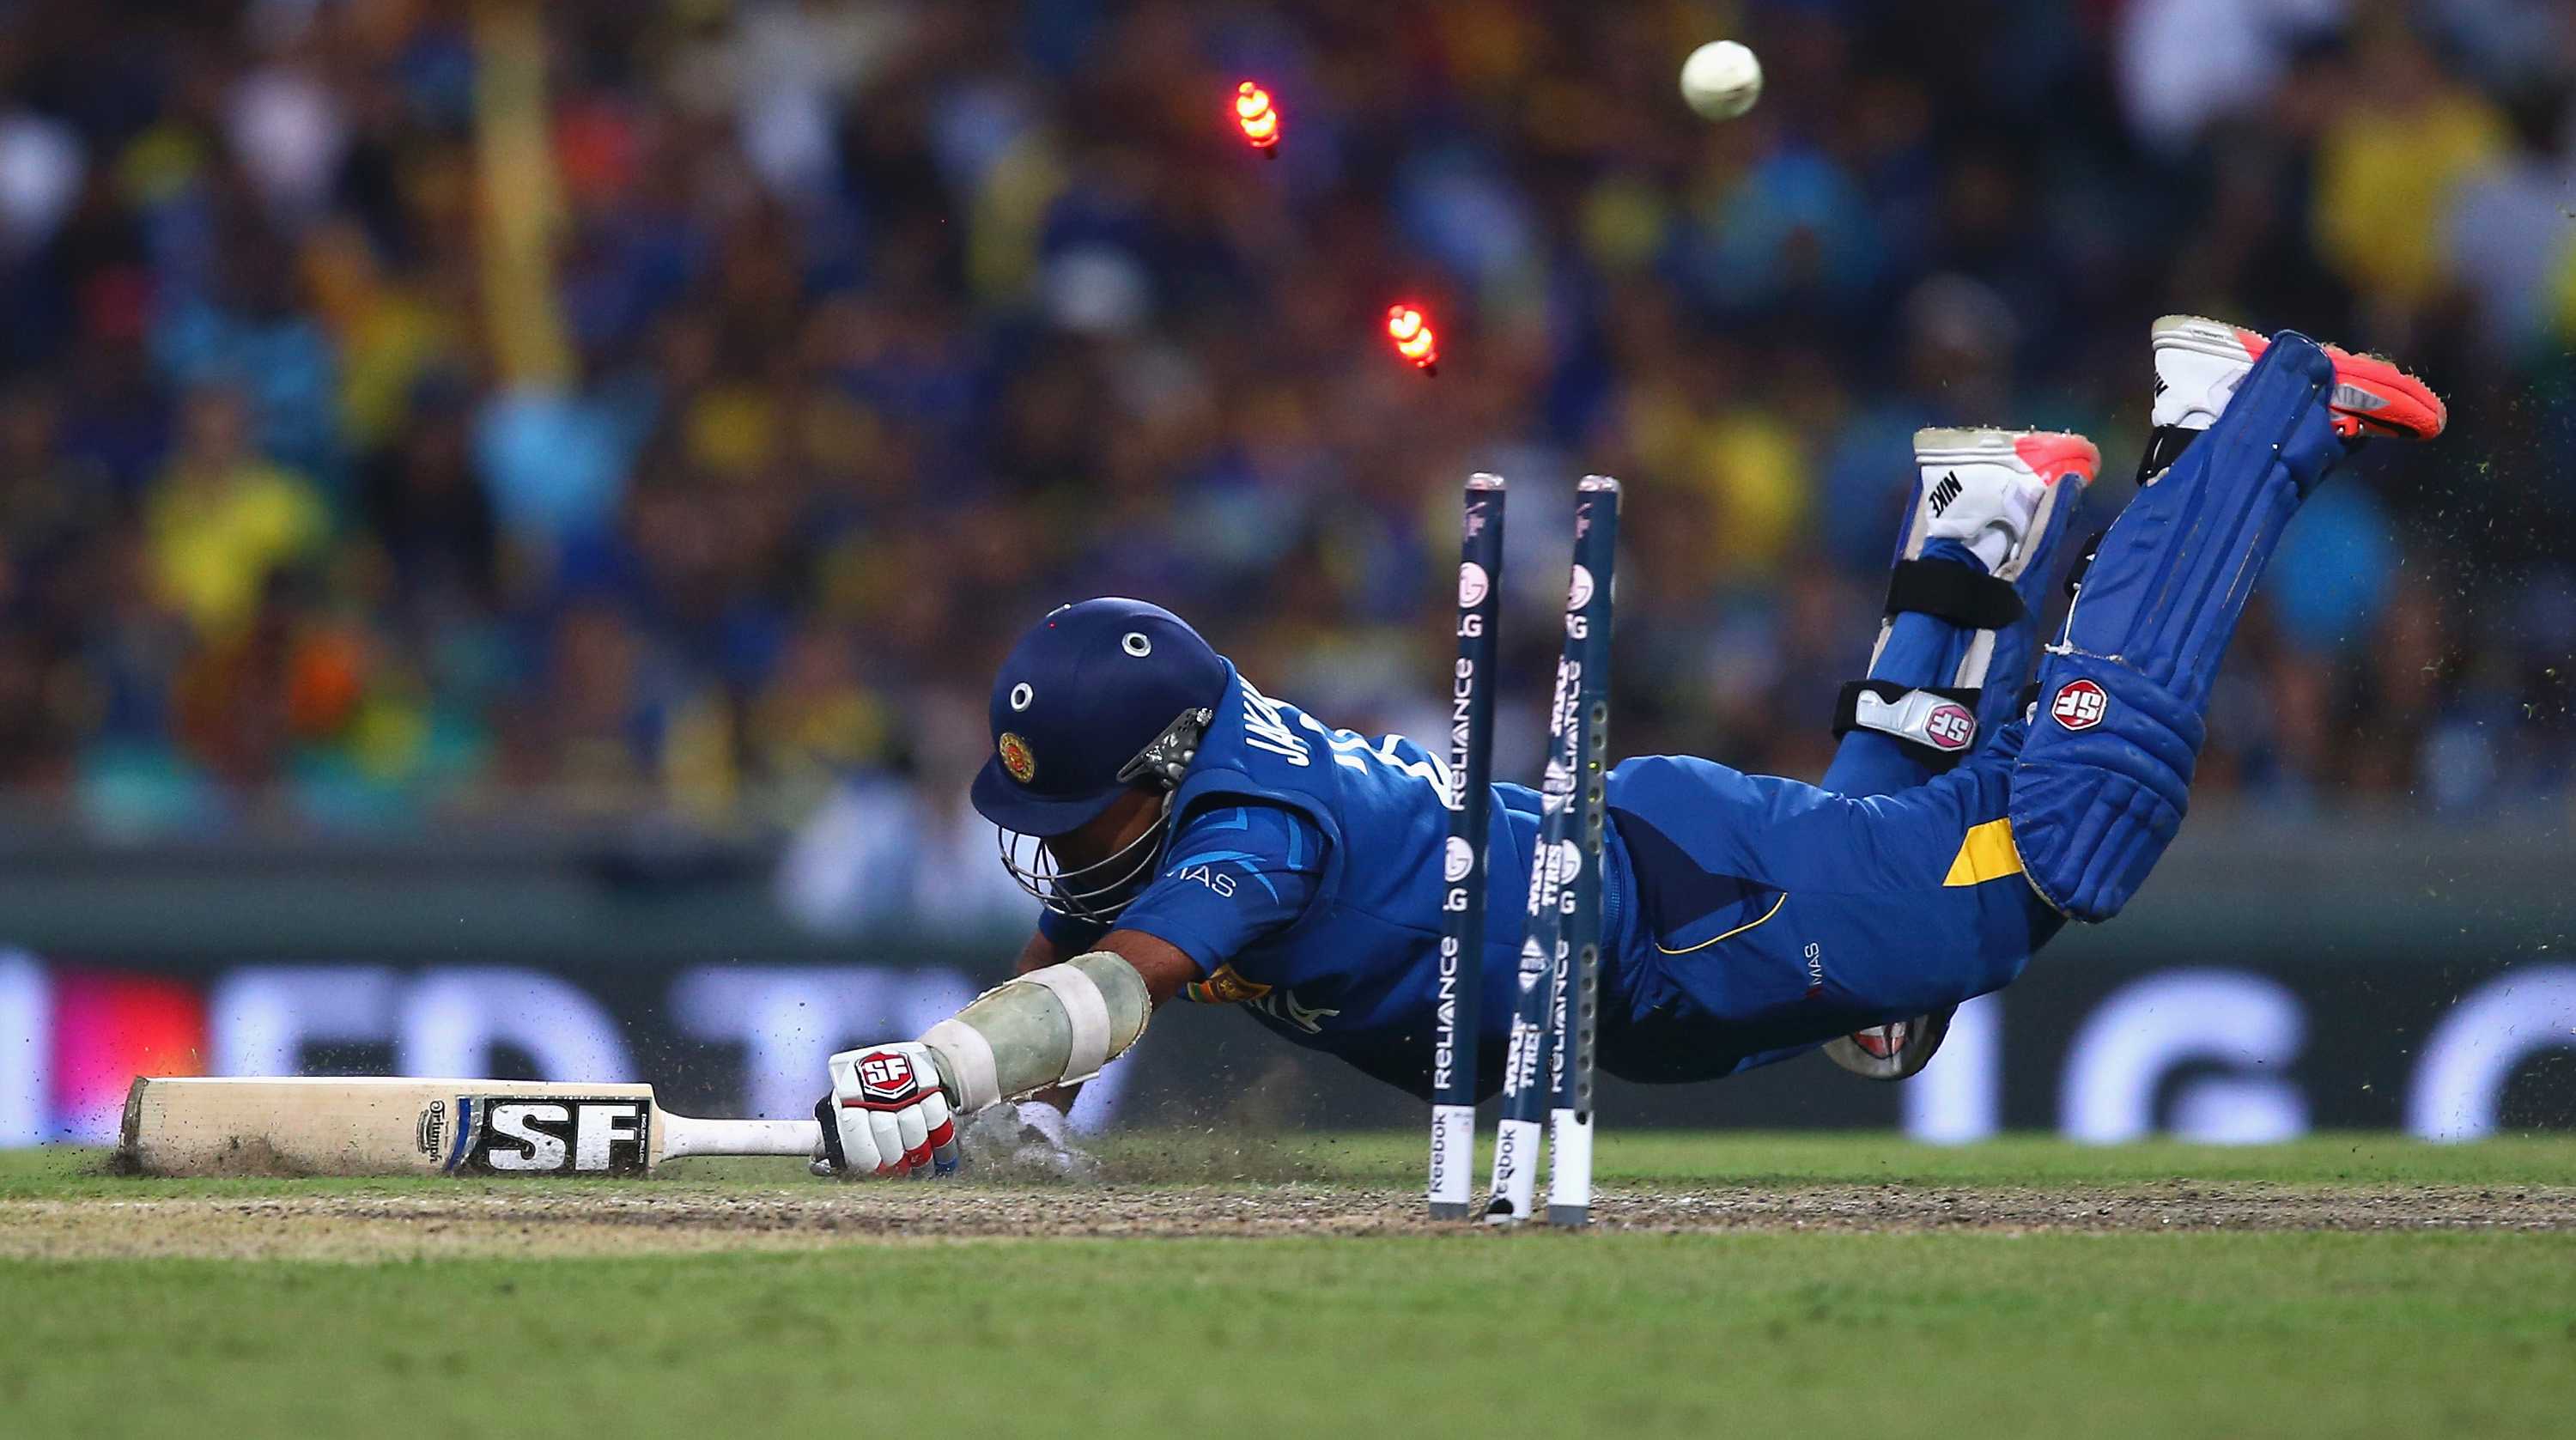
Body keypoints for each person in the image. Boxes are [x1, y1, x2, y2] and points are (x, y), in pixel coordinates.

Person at [810, 320, 2444, 1178]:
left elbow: (1101, 996)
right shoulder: (1162, 806)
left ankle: (2251, 414)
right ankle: (1983, 523)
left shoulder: (1250, 828)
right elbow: (1058, 980)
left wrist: (946, 1068)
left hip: (1692, 925)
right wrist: (976, 1103)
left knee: (2061, 840)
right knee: (1887, 989)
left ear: (1162, 770)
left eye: (1093, 811)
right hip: (1674, 904)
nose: (1066, 844)